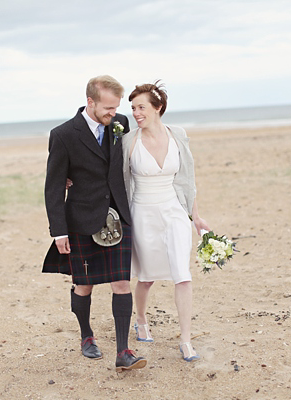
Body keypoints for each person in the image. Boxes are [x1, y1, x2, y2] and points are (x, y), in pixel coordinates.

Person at [42, 75, 147, 372]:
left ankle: (123, 351)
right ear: (90, 102)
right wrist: (58, 230)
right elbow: (53, 186)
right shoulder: (63, 134)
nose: (113, 114)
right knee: (84, 285)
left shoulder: (120, 124)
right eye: (107, 108)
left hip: (117, 217)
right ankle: (87, 336)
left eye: (116, 108)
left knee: (122, 282)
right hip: (81, 219)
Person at [122, 81, 209, 362]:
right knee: (146, 277)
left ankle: (185, 341)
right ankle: (142, 320)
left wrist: (196, 217)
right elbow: (114, 178)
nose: (136, 112)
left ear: (158, 108)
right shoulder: (128, 141)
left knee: (182, 274)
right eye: (133, 107)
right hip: (142, 213)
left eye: (141, 107)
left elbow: (187, 180)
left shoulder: (179, 135)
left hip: (173, 210)